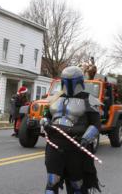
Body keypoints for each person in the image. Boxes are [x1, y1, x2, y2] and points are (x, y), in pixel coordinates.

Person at [41, 66, 101, 194]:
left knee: (77, 185)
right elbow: (47, 115)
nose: (68, 84)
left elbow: (96, 124)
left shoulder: (88, 99)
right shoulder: (56, 97)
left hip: (76, 146)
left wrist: (85, 139)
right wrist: (44, 121)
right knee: (52, 182)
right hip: (55, 144)